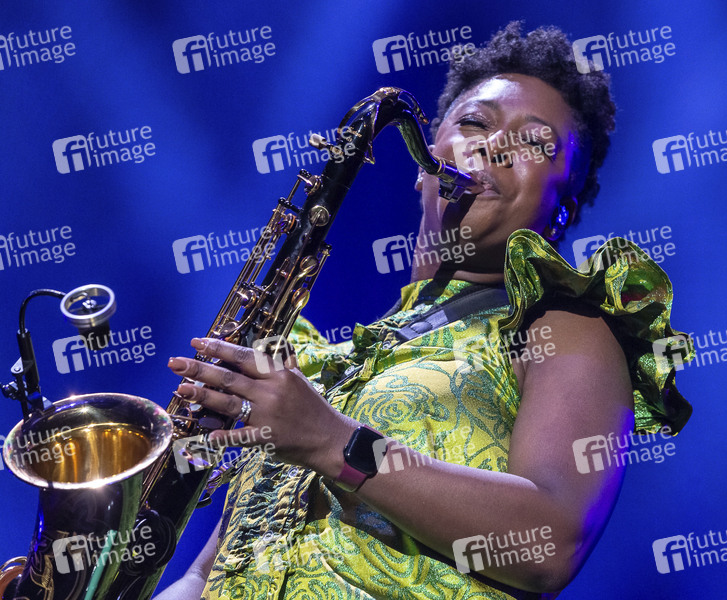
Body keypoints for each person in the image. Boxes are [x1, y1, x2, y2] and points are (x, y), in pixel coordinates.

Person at [157, 21, 692, 600]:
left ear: (563, 208)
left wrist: (332, 441)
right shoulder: (318, 371)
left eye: (534, 143)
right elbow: (206, 574)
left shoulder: (563, 328)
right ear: (425, 162)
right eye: (475, 123)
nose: (494, 145)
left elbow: (551, 541)